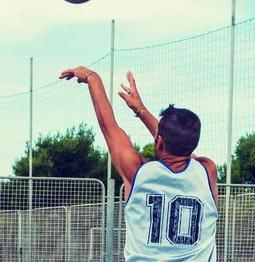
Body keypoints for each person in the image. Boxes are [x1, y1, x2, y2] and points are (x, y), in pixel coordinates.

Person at [59, 66, 218, 261]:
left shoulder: (139, 173)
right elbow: (182, 148)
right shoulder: (207, 170)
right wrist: (142, 112)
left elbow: (108, 126)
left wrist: (93, 78)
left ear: (159, 140)